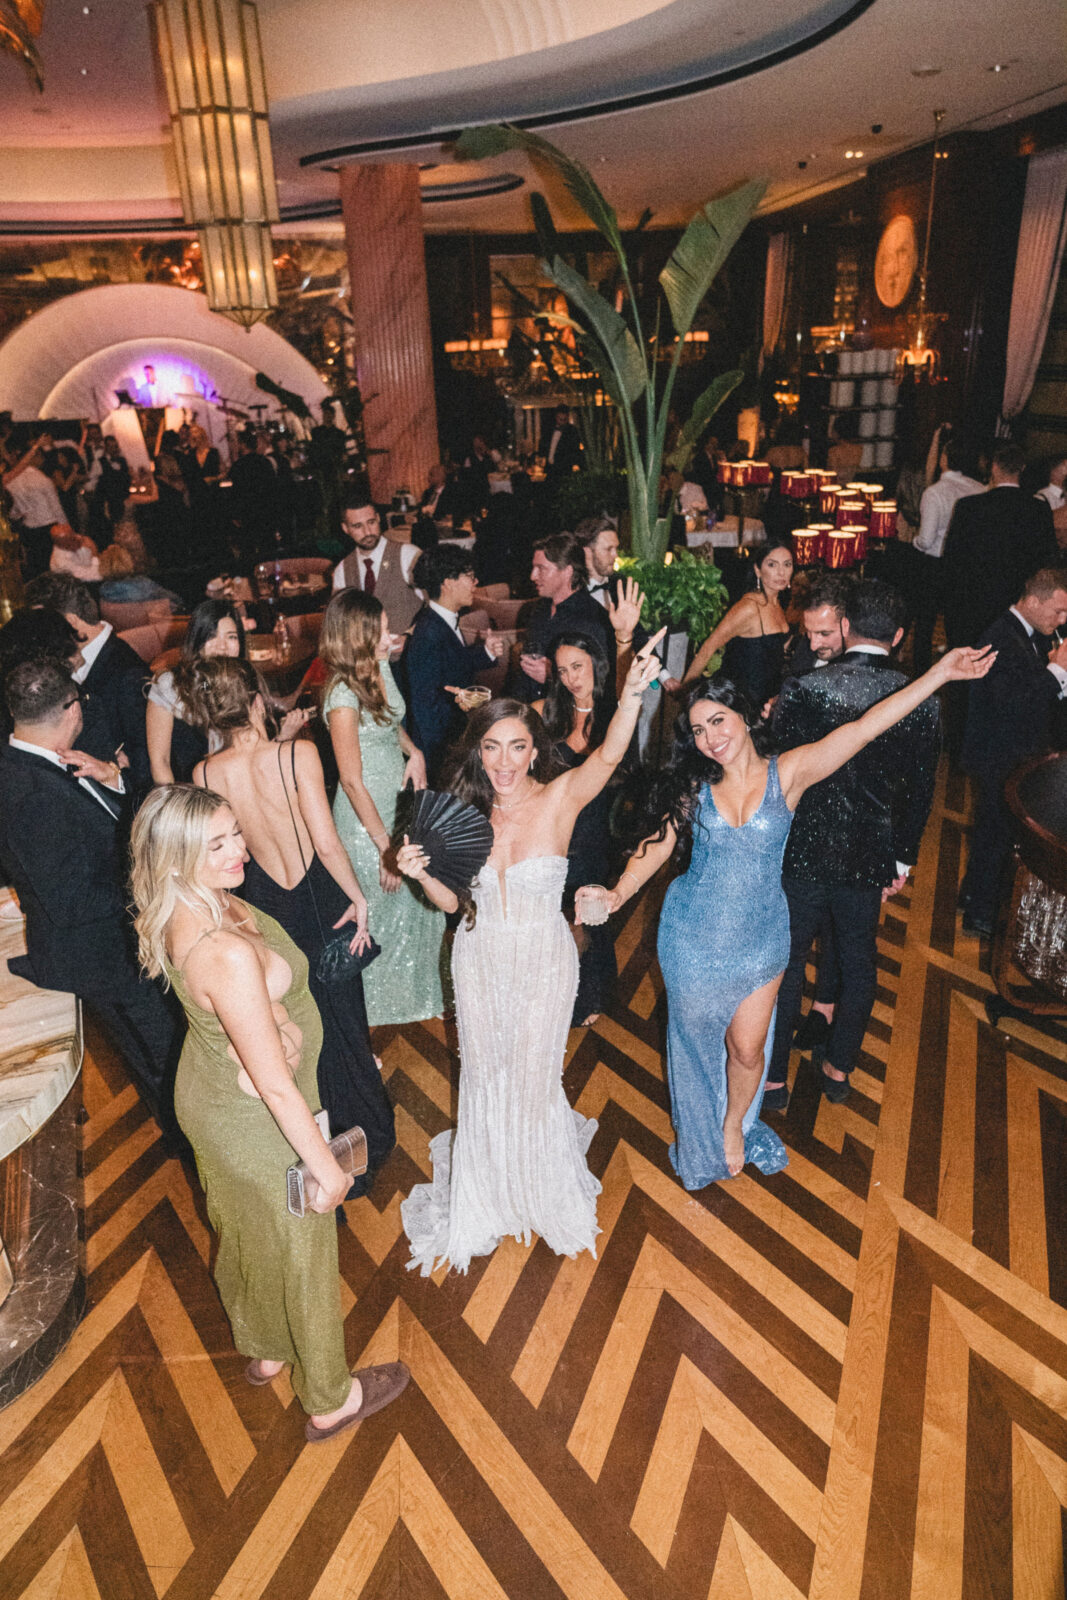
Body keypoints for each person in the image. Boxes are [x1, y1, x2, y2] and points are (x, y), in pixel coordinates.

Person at [596, 642, 994, 1187]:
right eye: (698, 730)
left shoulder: (790, 773)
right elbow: (658, 844)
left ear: (745, 714)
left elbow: (865, 728)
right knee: (691, 1048)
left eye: (718, 720)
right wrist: (618, 894)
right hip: (691, 936)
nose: (711, 738)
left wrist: (940, 675)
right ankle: (701, 1137)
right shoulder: (694, 785)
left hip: (760, 937)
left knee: (748, 1048)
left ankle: (735, 1122)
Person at [129, 785, 409, 1441]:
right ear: (175, 857)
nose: (237, 851)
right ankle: (328, 1398)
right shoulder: (219, 946)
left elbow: (239, 1002)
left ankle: (266, 1348)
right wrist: (326, 1170)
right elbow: (274, 1086)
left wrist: (277, 1020)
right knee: (304, 1249)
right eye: (216, 844)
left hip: (214, 1094)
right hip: (257, 1115)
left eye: (234, 833)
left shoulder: (189, 903)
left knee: (246, 1230)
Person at [396, 637, 665, 1275]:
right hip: (479, 956)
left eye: (517, 746)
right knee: (486, 1074)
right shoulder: (461, 812)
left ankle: (539, 1187)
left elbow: (607, 756)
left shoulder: (560, 798)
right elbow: (447, 904)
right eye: (492, 747)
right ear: (477, 751)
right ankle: (488, 1192)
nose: (505, 762)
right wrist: (418, 873)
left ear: (534, 748)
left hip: (546, 956)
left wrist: (627, 695)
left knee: (535, 1073)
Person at [188, 657, 395, 1189]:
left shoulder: (205, 773)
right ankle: (369, 1138)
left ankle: (319, 1146)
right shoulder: (298, 754)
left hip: (265, 908)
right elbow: (325, 842)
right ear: (258, 701)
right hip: (321, 900)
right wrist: (359, 898)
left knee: (299, 1026)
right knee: (346, 1021)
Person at [761, 580, 940, 1110]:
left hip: (800, 850)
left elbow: (776, 766)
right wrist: (901, 858)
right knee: (860, 961)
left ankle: (772, 1081)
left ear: (845, 627)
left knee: (787, 962)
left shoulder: (806, 688)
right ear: (901, 636)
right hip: (870, 853)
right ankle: (838, 1071)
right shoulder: (919, 697)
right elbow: (922, 788)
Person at [0, 658, 181, 1132]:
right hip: (108, 959)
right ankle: (191, 1148)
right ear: (69, 708)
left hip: (119, 949)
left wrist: (114, 781)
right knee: (167, 1066)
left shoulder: (37, 760)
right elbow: (71, 901)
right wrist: (153, 883)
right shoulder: (28, 792)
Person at [321, 589, 446, 1026]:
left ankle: (408, 1003)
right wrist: (385, 847)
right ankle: (365, 1020)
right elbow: (352, 781)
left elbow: (391, 723)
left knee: (413, 904)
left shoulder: (378, 669)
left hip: (395, 803)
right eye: (380, 628)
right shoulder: (341, 695)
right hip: (365, 819)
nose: (390, 635)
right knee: (379, 913)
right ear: (358, 635)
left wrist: (414, 752)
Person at [531, 611, 638, 1027]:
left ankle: (590, 990)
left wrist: (625, 638)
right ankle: (559, 989)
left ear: (596, 662)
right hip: (555, 831)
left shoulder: (614, 714)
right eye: (563, 670)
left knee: (588, 915)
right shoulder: (545, 711)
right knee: (555, 916)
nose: (572, 677)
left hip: (598, 832)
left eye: (578, 666)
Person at [958, 567, 1067, 936]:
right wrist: (1055, 671)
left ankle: (974, 898)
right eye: (1058, 611)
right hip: (999, 755)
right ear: (1034, 601)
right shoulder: (1001, 636)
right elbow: (1013, 705)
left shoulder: (1030, 633)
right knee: (996, 835)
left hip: (1014, 753)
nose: (1063, 619)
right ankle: (979, 912)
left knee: (995, 832)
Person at [25, 571, 152, 793]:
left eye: (44, 625)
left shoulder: (127, 672)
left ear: (71, 622)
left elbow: (146, 765)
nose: (37, 634)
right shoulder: (64, 660)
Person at [404, 545, 506, 781]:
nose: (476, 582)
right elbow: (425, 709)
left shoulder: (441, 621)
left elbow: (450, 663)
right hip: (443, 754)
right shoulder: (428, 632)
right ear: (448, 582)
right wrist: (450, 760)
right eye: (469, 577)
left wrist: (485, 653)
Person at [943, 441, 1058, 647]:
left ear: (994, 467)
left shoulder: (969, 507)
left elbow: (953, 562)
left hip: (975, 604)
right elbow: (1049, 561)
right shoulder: (1038, 509)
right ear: (1022, 468)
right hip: (1019, 606)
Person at [664, 539, 794, 709]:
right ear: (757, 570)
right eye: (772, 565)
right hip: (739, 702)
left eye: (787, 564)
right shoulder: (749, 607)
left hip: (767, 701)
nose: (781, 572)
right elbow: (708, 648)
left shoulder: (779, 603)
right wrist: (685, 696)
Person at [910, 431, 984, 674]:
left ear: (944, 459)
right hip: (966, 564)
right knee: (957, 620)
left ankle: (921, 673)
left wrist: (913, 540)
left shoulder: (935, 492)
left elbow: (927, 539)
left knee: (925, 621)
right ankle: (960, 669)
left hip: (934, 564)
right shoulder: (979, 488)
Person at [147, 599, 244, 785]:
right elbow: (160, 762)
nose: (222, 645)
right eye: (211, 636)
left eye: (231, 637)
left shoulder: (242, 683)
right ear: (197, 640)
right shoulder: (170, 686)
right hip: (191, 797)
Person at [512, 532, 616, 701]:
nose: (533, 576)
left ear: (567, 571)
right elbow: (525, 674)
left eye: (542, 568)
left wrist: (551, 676)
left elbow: (600, 686)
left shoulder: (593, 620)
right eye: (534, 568)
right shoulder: (539, 609)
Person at [330, 485, 421, 634]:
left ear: (378, 518)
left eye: (371, 522)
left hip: (410, 652)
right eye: (358, 526)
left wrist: (410, 635)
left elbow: (436, 606)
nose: (367, 532)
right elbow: (341, 623)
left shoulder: (408, 555)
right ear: (345, 529)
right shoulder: (342, 570)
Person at [3, 432, 65, 576]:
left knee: (35, 565)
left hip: (28, 529)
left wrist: (19, 515)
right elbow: (56, 508)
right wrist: (66, 527)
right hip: (48, 527)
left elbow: (13, 511)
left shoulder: (10, 482)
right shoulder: (42, 479)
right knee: (52, 564)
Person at [544, 406, 583, 478]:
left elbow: (573, 452)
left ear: (568, 417)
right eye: (560, 419)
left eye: (564, 419)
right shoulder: (549, 430)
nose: (562, 422)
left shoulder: (572, 431)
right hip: (550, 470)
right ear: (556, 417)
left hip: (564, 471)